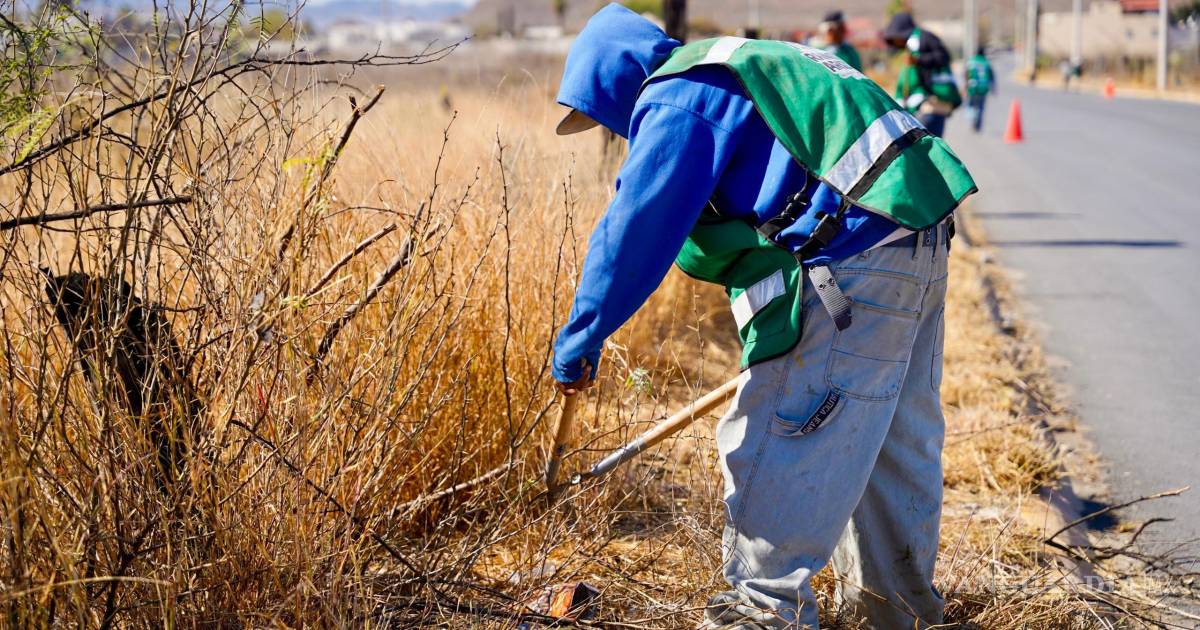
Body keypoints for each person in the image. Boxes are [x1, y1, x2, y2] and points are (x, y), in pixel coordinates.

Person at [551, 5, 977, 628]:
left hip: (855, 260)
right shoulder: (743, 64)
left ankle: (762, 611)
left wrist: (579, 338)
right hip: (918, 239)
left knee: (780, 434)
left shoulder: (681, 91)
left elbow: (633, 231)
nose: (613, 131)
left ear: (614, 83)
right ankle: (895, 614)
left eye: (602, 116)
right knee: (885, 444)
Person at [883, 12, 961, 137]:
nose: (895, 43)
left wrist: (918, 60)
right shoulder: (911, 45)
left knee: (928, 142)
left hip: (933, 103)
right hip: (923, 104)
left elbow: (943, 57)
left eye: (894, 38)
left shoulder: (925, 38)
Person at [965, 46, 995, 133]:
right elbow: (991, 76)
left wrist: (965, 86)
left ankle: (973, 123)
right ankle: (978, 125)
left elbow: (966, 74)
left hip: (972, 88)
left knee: (972, 106)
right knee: (981, 107)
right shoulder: (986, 62)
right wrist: (993, 88)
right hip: (983, 88)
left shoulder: (971, 61)